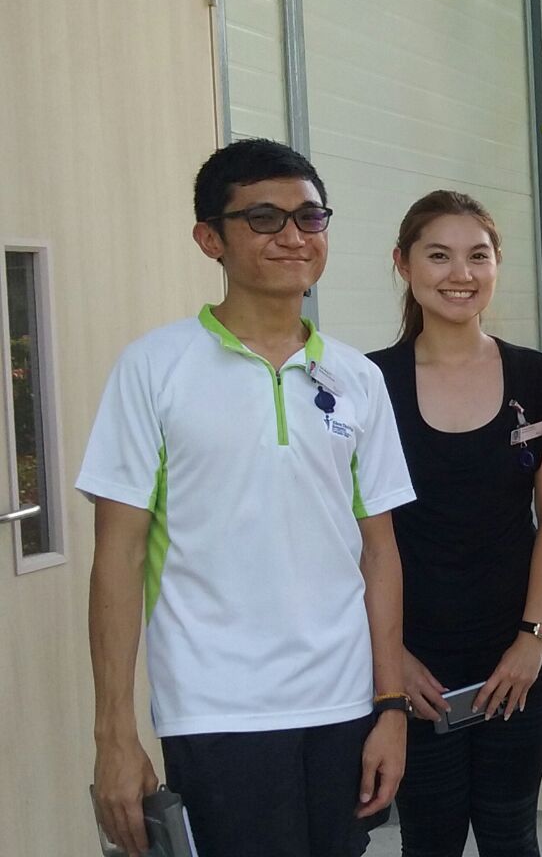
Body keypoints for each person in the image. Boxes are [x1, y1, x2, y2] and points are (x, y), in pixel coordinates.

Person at [81, 139, 414, 857]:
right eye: (264, 218)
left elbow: (379, 552)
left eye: (310, 217)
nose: (294, 236)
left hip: (343, 706)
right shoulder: (154, 369)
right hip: (215, 711)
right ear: (211, 239)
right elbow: (118, 558)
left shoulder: (357, 379)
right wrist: (114, 733)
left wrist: (389, 707)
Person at [368, 190, 542, 856]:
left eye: (478, 256)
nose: (460, 274)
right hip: (414, 666)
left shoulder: (538, 378)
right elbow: (354, 539)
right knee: (430, 840)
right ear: (403, 264)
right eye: (439, 256)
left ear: (496, 265)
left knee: (512, 834)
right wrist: (391, 661)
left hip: (514, 656)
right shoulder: (369, 384)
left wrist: (532, 639)